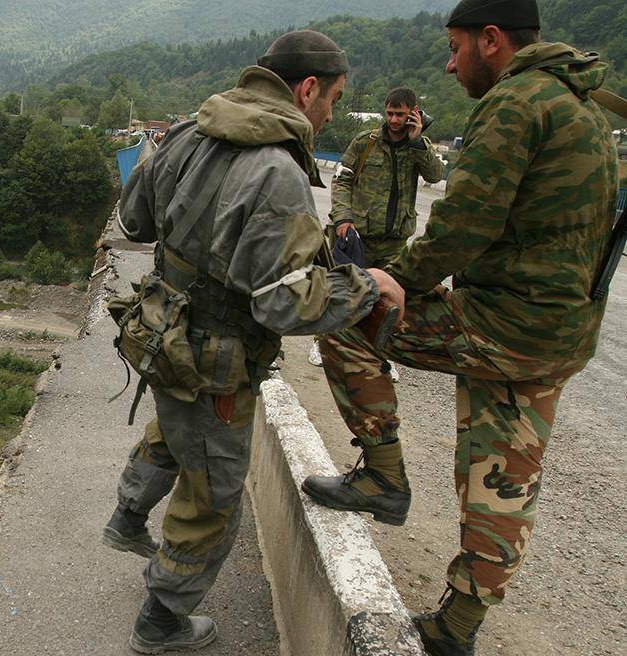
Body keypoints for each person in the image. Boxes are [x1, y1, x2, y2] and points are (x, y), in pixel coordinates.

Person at [300, 1, 620, 654]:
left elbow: (463, 222)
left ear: (492, 40)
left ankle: (383, 477)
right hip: (558, 335)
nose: (448, 64)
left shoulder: (516, 102)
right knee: (505, 477)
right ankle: (456, 629)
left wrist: (400, 284)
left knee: (341, 314)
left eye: (455, 48)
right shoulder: (585, 108)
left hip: (500, 322)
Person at [102, 30, 405, 654]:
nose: (330, 114)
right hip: (215, 357)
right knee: (213, 494)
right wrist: (366, 286)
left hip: (160, 330)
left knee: (173, 428)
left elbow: (134, 220)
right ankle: (161, 622)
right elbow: (283, 301)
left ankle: (127, 518)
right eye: (333, 99)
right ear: (307, 88)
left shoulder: (192, 128)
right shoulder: (278, 169)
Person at [308, 87, 447, 379]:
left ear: (414, 112)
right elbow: (342, 180)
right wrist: (344, 217)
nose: (394, 120)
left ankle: (381, 354)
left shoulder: (418, 146)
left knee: (388, 301)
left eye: (401, 114)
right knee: (341, 287)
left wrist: (418, 141)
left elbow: (435, 176)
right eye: (390, 113)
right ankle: (322, 343)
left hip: (394, 238)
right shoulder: (365, 143)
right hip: (358, 233)